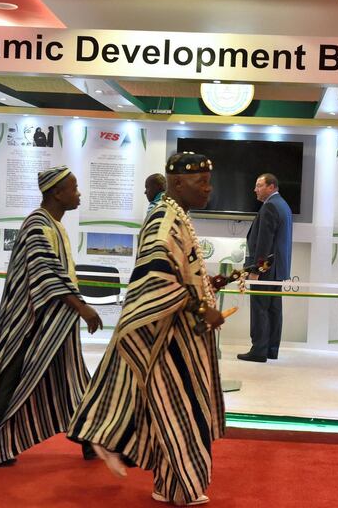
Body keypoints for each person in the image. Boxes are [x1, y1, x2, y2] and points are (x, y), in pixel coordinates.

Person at [68, 152, 225, 506]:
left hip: (182, 332)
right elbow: (157, 275)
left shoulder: (176, 216)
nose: (208, 189)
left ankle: (168, 485)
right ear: (178, 182)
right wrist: (202, 305)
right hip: (169, 336)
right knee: (180, 408)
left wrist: (207, 285)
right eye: (201, 182)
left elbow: (180, 269)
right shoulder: (164, 219)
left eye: (208, 182)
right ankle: (181, 486)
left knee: (171, 408)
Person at [0, 166, 103, 466]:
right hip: (30, 325)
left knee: (72, 379)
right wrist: (81, 307)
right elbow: (45, 272)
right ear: (57, 192)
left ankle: (90, 438)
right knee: (14, 379)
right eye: (74, 187)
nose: (79, 193)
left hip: (54, 324)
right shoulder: (38, 225)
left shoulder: (52, 225)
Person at [238, 173, 293, 363]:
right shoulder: (283, 205)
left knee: (260, 308)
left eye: (259, 185)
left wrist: (255, 270)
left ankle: (259, 350)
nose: (255, 189)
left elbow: (264, 243)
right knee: (274, 309)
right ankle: (271, 349)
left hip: (266, 269)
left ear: (271, 187)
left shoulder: (270, 206)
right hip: (278, 269)